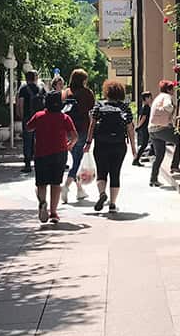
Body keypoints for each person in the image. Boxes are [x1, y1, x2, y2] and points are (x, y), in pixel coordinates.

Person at [24, 92, 77, 223]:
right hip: (59, 153)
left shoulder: (39, 116)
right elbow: (74, 136)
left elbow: (28, 127)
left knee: (41, 183)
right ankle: (53, 212)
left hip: (41, 153)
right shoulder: (64, 117)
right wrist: (69, 145)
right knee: (56, 183)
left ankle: (42, 202)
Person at [86, 79, 137, 213]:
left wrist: (88, 142)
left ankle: (102, 193)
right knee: (115, 173)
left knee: (101, 171)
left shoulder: (99, 105)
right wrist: (133, 148)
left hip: (101, 144)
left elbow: (92, 125)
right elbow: (130, 128)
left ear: (106, 91)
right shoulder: (124, 107)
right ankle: (113, 204)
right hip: (119, 145)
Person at [61, 69, 96, 202]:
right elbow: (92, 108)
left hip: (67, 129)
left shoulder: (66, 92)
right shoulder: (86, 93)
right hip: (82, 129)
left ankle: (80, 190)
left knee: (75, 158)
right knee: (77, 161)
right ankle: (66, 186)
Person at [147, 80, 180, 186]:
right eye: (172, 89)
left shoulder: (158, 97)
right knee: (179, 140)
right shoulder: (166, 97)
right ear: (168, 89)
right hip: (161, 128)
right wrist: (172, 109)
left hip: (152, 130)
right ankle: (174, 166)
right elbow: (167, 107)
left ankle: (153, 179)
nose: (173, 91)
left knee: (159, 155)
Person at [17, 71, 46, 173]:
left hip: (28, 118)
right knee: (40, 140)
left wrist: (21, 115)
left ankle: (28, 164)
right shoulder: (41, 89)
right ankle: (41, 162)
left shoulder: (23, 89)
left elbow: (20, 104)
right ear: (35, 77)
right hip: (41, 119)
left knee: (28, 141)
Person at [131, 91, 152, 166]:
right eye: (149, 97)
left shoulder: (143, 106)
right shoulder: (146, 107)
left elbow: (141, 117)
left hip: (144, 127)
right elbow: (143, 118)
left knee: (145, 144)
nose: (151, 99)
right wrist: (138, 126)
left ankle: (136, 159)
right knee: (144, 144)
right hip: (145, 127)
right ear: (146, 98)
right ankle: (136, 159)